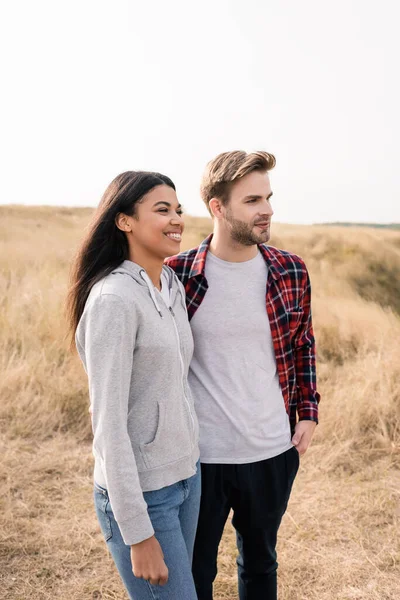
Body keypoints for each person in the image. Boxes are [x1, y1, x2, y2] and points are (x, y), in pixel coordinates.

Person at [166, 151, 320, 600]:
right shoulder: (177, 276)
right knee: (195, 572)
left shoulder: (290, 269)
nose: (267, 209)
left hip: (271, 449)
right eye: (252, 199)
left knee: (260, 564)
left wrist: (307, 413)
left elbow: (302, 344)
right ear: (218, 207)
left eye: (268, 197)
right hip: (198, 457)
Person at [66, 171, 200, 600]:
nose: (176, 219)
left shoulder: (170, 285)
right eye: (162, 210)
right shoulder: (113, 301)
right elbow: (107, 426)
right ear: (124, 221)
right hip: (143, 494)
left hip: (185, 477)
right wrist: (138, 533)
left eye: (178, 210)